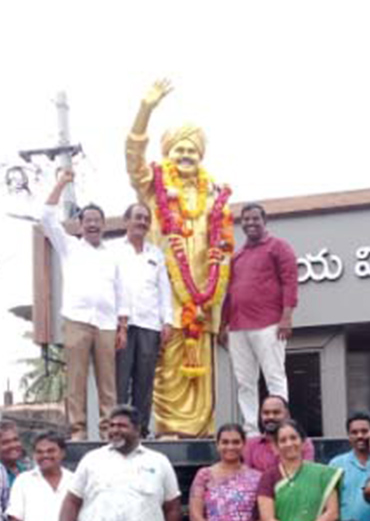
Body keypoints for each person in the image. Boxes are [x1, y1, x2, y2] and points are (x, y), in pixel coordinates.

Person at [126, 77, 235, 438]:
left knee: (202, 367)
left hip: (203, 296)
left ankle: (202, 430)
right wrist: (146, 108)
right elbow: (133, 157)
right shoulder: (155, 189)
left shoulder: (213, 199)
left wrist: (213, 299)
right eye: (179, 151)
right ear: (168, 154)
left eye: (192, 151)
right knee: (167, 364)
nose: (186, 156)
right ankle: (169, 428)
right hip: (166, 293)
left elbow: (223, 251)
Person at [43, 169, 124, 441]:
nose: (92, 225)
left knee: (108, 385)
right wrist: (61, 183)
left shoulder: (113, 255)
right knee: (76, 381)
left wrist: (122, 326)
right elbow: (46, 217)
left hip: (106, 324)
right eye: (87, 220)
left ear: (103, 225)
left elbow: (121, 294)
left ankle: (108, 432)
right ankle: (77, 431)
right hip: (77, 320)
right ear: (79, 224)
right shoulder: (69, 246)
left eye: (97, 220)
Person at [220, 204, 299, 434]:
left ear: (265, 221)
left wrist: (286, 317)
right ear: (241, 223)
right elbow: (230, 291)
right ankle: (252, 429)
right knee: (245, 381)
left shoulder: (279, 247)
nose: (250, 223)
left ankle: (282, 426)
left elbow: (290, 281)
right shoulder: (238, 255)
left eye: (255, 218)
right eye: (245, 219)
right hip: (238, 325)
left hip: (269, 323)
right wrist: (223, 324)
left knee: (274, 376)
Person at [115, 202, 172, 437]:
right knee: (119, 379)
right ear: (126, 220)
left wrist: (167, 321)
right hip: (122, 325)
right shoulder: (112, 250)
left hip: (149, 325)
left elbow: (164, 290)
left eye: (146, 219)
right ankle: (117, 429)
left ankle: (140, 431)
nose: (142, 222)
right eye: (137, 217)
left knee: (144, 382)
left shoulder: (155, 254)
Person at [243, 395, 315, 473]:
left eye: (276, 412)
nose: (271, 417)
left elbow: (305, 475)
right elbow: (246, 477)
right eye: (266, 413)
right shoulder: (250, 445)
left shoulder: (302, 443)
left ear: (287, 415)